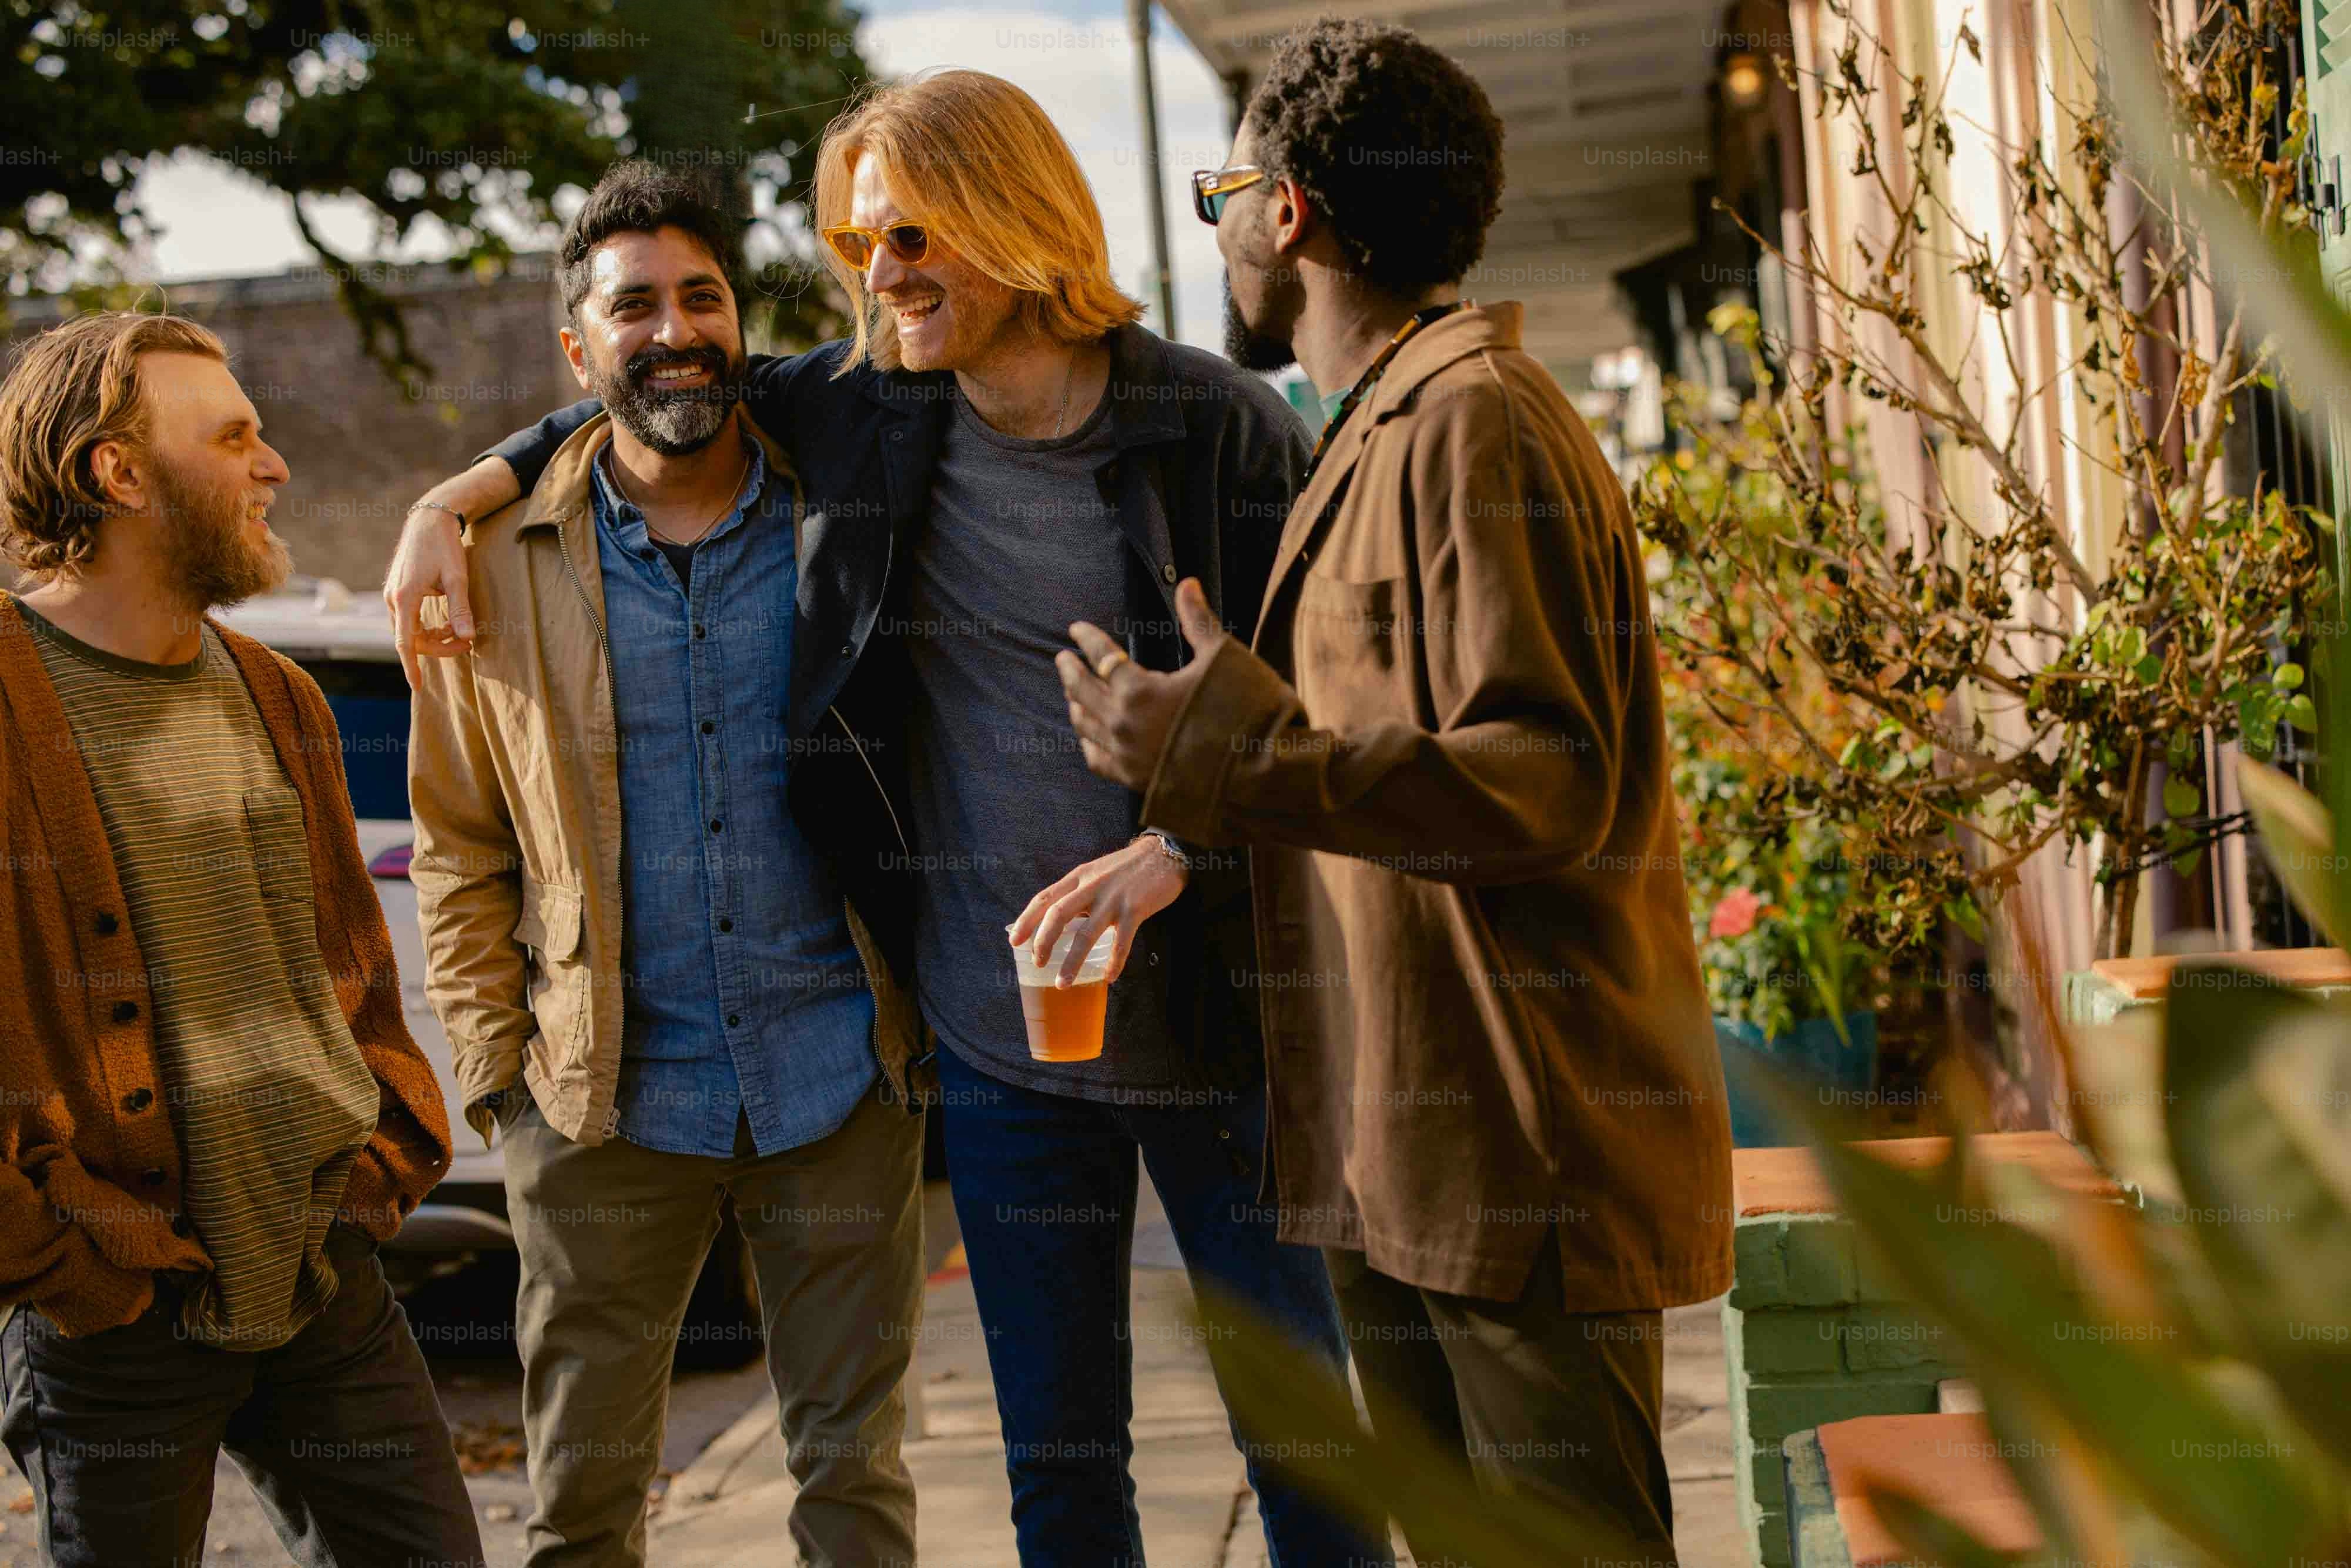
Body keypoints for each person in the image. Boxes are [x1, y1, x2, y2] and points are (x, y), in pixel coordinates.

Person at [386, 73, 1390, 1568]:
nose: (880, 278)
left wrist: (1178, 842)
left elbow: (1342, 721)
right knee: (1061, 1464)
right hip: (1000, 1047)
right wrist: (452, 496)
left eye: (911, 238)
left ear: (1018, 215)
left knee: (1302, 1444)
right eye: (857, 251)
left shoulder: (1215, 426)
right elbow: (641, 380)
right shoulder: (873, 410)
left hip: (1217, 1025)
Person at [1055, 19, 1736, 1563]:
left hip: (1518, 1157)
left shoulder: (1479, 423)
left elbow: (1543, 779)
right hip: (1411, 1155)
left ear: (1285, 209)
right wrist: (1221, 753)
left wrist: (1231, 755)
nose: (1214, 219)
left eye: (1223, 186)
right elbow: (1377, 762)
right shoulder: (1381, 426)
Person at [403, 161, 928, 1568]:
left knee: (855, 1480)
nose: (674, 328)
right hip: (598, 1105)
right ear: (580, 350)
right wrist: (496, 1071)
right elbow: (457, 839)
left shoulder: (842, 512)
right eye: (633, 305)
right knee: (580, 1504)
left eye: (702, 296)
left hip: (837, 1075)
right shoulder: (493, 561)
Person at [0, 311, 481, 1567]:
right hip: (113, 1304)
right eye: (235, 437)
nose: (274, 466)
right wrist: (60, 1255)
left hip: (324, 1269)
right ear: (119, 472)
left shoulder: (283, 693)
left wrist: (383, 1146)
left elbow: (353, 973)